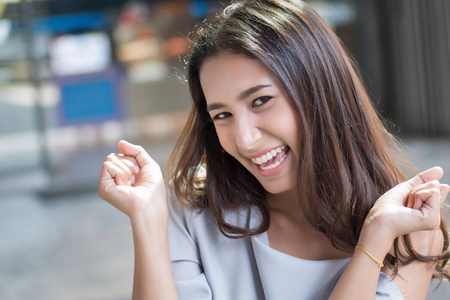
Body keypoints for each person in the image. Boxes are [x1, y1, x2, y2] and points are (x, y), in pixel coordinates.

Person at [98, 0, 450, 299]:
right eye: (222, 115)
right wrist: (147, 218)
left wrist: (373, 239)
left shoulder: (409, 229)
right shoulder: (194, 210)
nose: (245, 139)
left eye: (261, 101)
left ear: (319, 91)